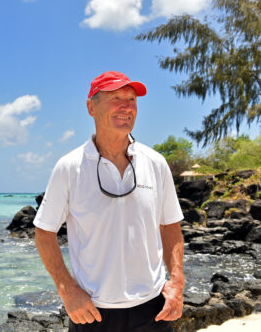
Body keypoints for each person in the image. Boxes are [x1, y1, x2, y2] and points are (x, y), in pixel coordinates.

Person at [34, 71, 185, 332]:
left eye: (132, 99)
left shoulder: (155, 163)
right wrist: (67, 290)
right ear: (91, 107)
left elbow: (170, 226)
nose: (127, 107)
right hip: (92, 311)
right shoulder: (69, 167)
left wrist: (177, 283)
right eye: (116, 98)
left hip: (153, 309)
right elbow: (44, 232)